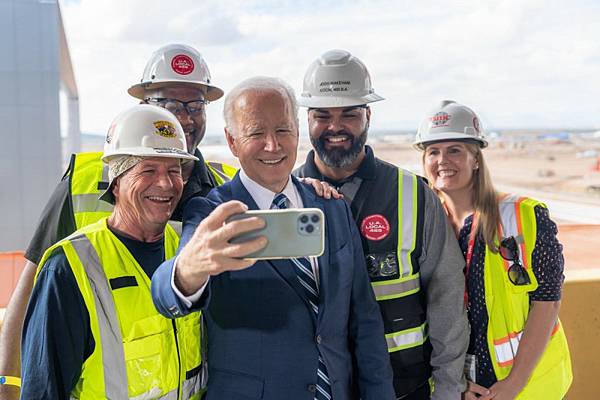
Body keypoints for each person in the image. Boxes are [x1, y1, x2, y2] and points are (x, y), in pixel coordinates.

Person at [0, 44, 236, 399]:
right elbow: (34, 286)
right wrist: (8, 382)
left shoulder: (224, 187)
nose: (184, 117)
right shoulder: (82, 184)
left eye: (195, 105)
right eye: (170, 104)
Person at [151, 77, 396, 400]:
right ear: (232, 140)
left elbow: (364, 321)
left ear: (297, 131)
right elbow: (166, 294)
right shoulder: (213, 212)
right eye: (256, 133)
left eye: (282, 130)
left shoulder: (332, 208)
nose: (273, 145)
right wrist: (188, 271)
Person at [294, 49, 469, 400]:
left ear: (368, 115)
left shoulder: (413, 194)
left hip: (404, 385)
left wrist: (449, 388)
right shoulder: (287, 197)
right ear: (307, 119)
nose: (335, 127)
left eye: (349, 114)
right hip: (321, 387)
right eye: (323, 115)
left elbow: (447, 298)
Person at [20, 105, 207, 399]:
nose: (166, 183)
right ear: (116, 181)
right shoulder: (69, 267)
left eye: (174, 170)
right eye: (148, 170)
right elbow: (43, 390)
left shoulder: (188, 249)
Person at [413, 100, 573, 399]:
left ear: (476, 158)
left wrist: (513, 385)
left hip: (526, 385)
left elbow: (547, 303)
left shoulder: (524, 215)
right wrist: (453, 383)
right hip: (457, 386)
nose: (442, 160)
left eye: (455, 150)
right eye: (433, 151)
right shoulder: (422, 225)